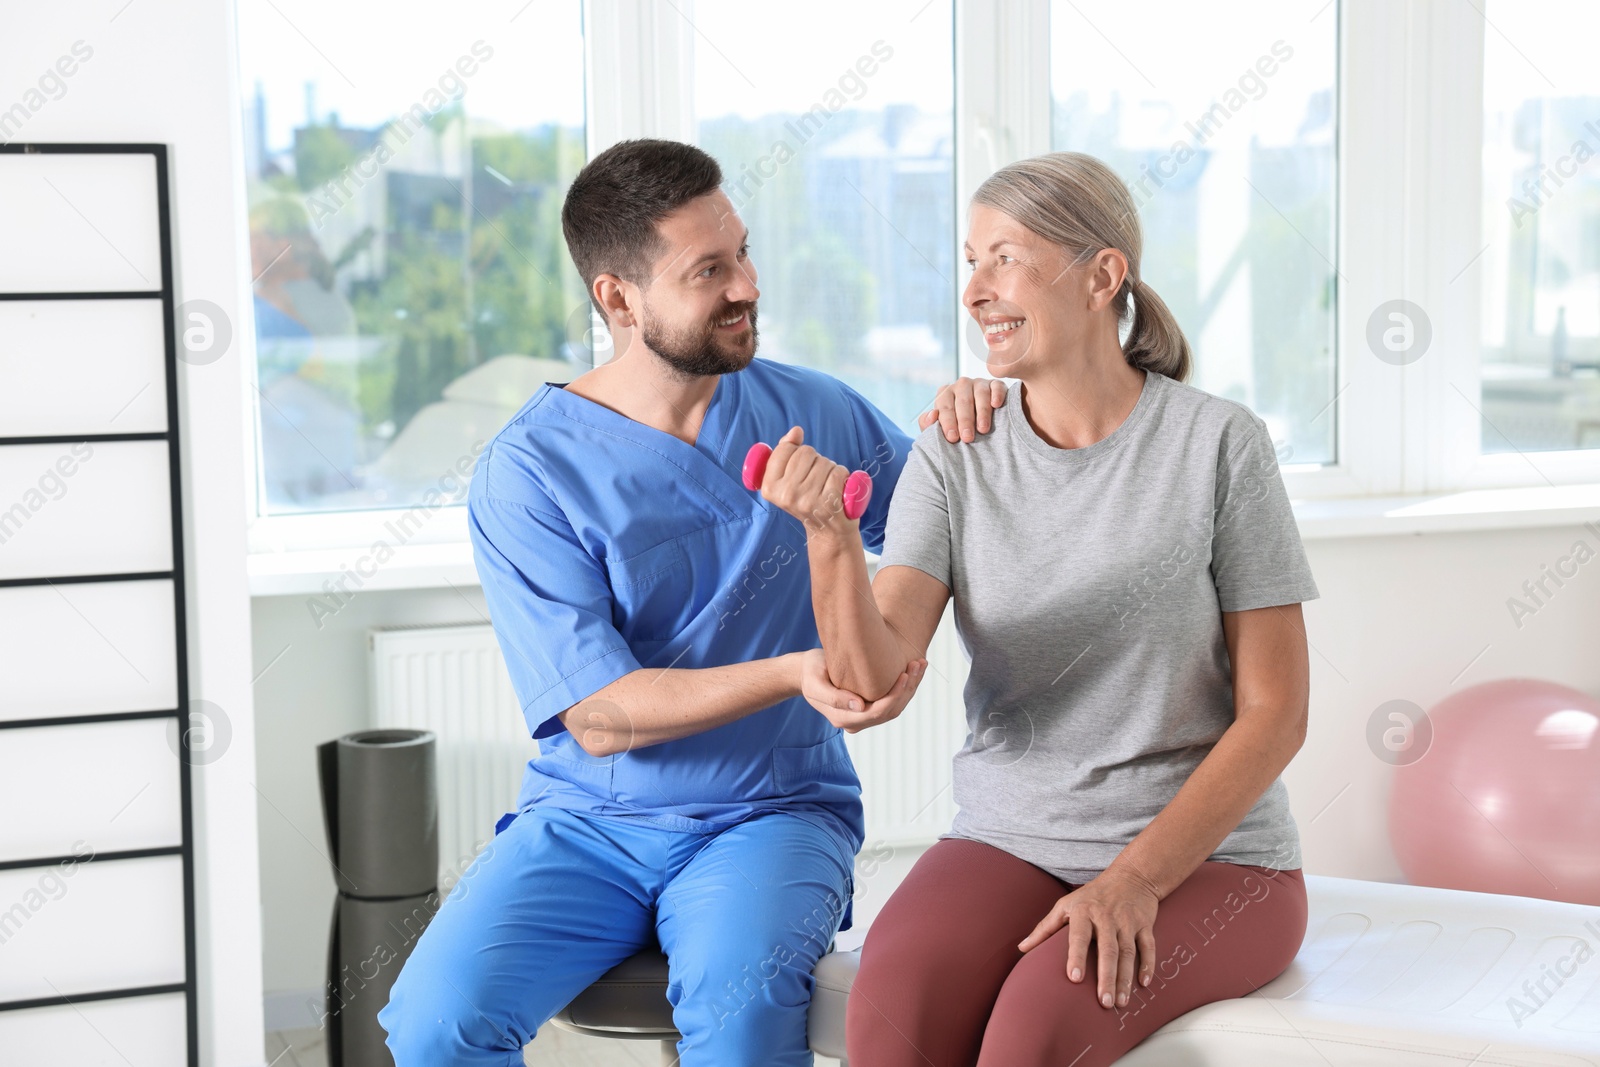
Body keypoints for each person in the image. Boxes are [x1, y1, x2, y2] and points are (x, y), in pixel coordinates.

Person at [378, 138, 1003, 1066]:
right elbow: (599, 713)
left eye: (743, 252)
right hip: (588, 822)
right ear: (618, 300)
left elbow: (948, 520)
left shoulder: (814, 410)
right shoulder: (530, 472)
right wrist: (796, 671)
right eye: (709, 270)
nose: (747, 285)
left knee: (740, 1016)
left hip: (773, 809)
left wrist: (976, 422)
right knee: (434, 1024)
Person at [753, 151, 1319, 1066]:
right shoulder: (954, 451)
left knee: (1032, 1030)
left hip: (1220, 861)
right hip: (1012, 836)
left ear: (1103, 276)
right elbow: (873, 675)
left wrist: (1134, 880)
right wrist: (831, 540)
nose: (976, 289)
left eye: (1006, 258)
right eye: (970, 262)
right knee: (890, 1012)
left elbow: (1277, 713)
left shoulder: (1218, 444)